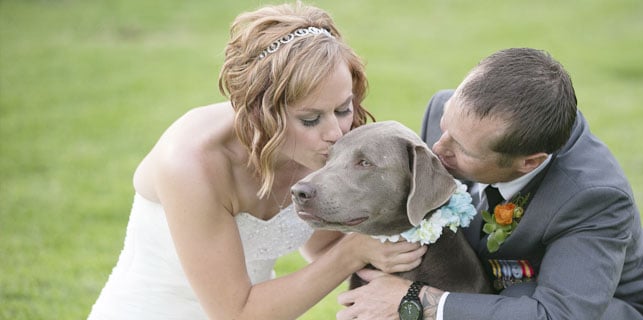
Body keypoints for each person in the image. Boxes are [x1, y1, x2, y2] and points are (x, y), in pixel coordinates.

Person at [87, 3, 426, 320]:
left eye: (343, 109)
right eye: (310, 119)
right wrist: (352, 252)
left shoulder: (318, 147)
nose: (337, 133)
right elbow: (236, 313)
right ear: (260, 113)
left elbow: (324, 246)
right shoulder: (191, 163)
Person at [336, 48, 643, 319]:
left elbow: (558, 314)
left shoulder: (594, 197)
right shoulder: (451, 120)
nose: (439, 149)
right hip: (493, 295)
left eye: (462, 149)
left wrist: (413, 299)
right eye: (445, 127)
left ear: (529, 162)